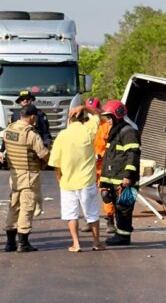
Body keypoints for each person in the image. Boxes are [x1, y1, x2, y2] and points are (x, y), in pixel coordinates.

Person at [48, 100, 102, 253]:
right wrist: (84, 107)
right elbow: (98, 114)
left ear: (69, 120)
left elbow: (55, 163)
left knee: (71, 215)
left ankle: (76, 244)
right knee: (92, 213)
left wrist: (60, 179)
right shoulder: (88, 130)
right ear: (83, 119)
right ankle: (96, 242)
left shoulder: (62, 136)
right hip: (87, 181)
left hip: (67, 184)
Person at [1, 101, 49, 250]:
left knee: (13, 206)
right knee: (27, 207)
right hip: (29, 175)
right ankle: (23, 242)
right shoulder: (30, 134)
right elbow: (43, 154)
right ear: (33, 117)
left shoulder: (9, 130)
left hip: (14, 175)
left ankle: (10, 243)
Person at [98, 98, 141, 244]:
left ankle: (123, 237)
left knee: (125, 209)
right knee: (119, 208)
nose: (108, 121)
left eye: (109, 117)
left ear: (117, 115)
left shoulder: (128, 131)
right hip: (116, 180)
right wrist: (104, 182)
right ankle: (121, 235)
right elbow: (109, 159)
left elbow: (133, 154)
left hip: (128, 181)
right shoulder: (115, 132)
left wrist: (128, 177)